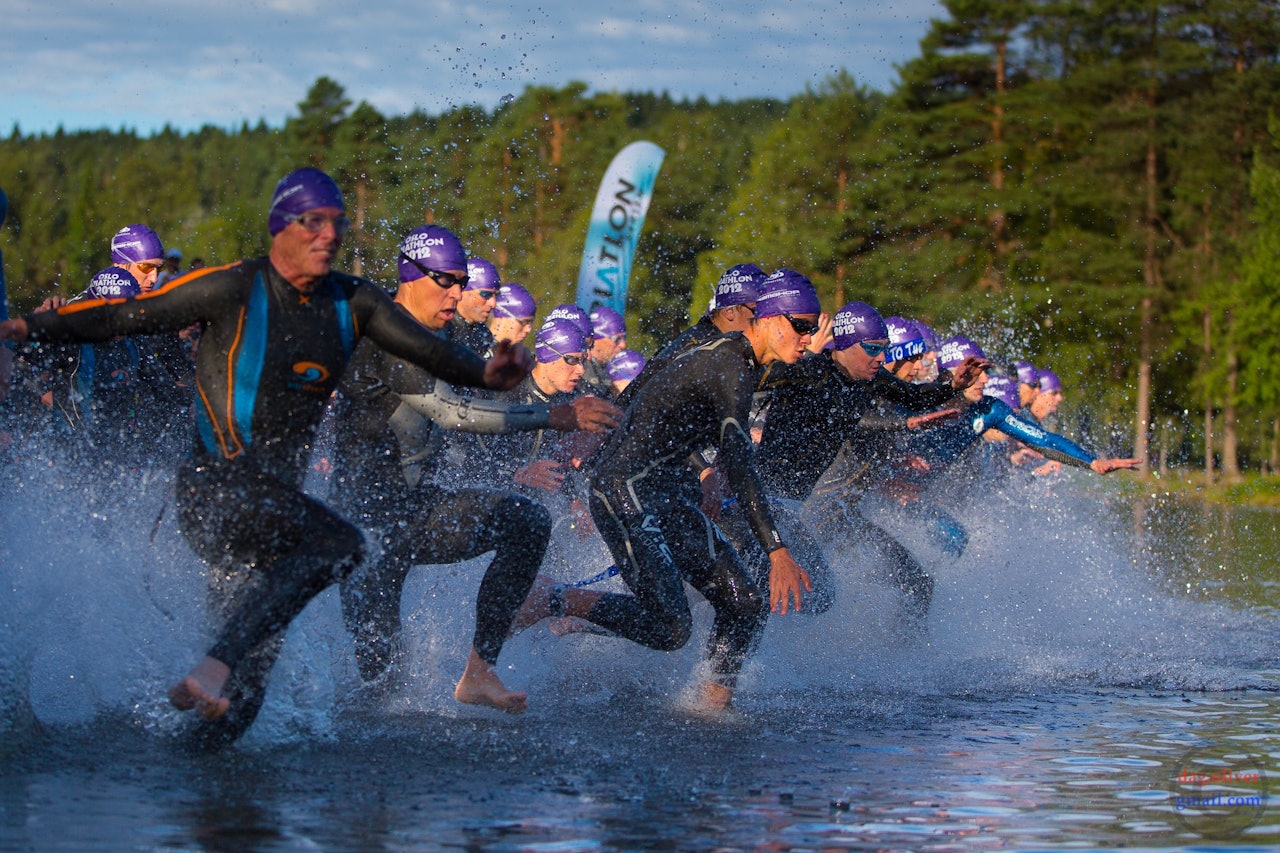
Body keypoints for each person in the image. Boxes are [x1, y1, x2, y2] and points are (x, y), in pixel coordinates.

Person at [0, 167, 533, 749]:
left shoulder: (353, 301)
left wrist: (488, 373)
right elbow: (117, 316)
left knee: (239, 707)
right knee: (341, 543)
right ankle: (217, 663)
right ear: (281, 227)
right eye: (313, 222)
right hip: (213, 494)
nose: (328, 235)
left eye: (336, 224)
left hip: (276, 514)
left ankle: (190, 754)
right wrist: (22, 327)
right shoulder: (231, 286)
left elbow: (429, 352)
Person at [332, 225, 619, 703]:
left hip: (416, 510)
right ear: (410, 275)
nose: (457, 293)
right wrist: (556, 416)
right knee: (378, 679)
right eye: (446, 281)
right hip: (366, 525)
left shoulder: (440, 334)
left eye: (463, 282)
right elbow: (452, 412)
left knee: (526, 521)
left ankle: (479, 671)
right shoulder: (387, 334)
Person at [517, 269, 822, 713]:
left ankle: (709, 708)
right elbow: (739, 460)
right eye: (801, 326)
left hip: (666, 492)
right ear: (770, 318)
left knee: (745, 604)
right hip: (623, 489)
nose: (808, 338)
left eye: (812, 329)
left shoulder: (744, 361)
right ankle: (549, 597)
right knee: (669, 627)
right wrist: (776, 550)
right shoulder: (729, 363)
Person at [752, 302, 982, 620]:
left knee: (826, 595)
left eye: (884, 348)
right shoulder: (808, 371)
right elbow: (743, 382)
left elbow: (914, 396)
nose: (881, 358)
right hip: (775, 503)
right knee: (779, 594)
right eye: (873, 348)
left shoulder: (870, 380)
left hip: (810, 510)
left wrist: (953, 386)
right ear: (845, 344)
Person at [450, 256, 499, 356]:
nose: (493, 304)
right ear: (462, 291)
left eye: (496, 295)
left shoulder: (483, 333)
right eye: (486, 295)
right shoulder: (444, 329)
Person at [581, 305, 626, 397]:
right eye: (617, 339)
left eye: (624, 338)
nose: (623, 345)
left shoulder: (611, 369)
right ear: (597, 337)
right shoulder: (578, 368)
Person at [487, 282, 537, 347]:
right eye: (524, 322)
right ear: (501, 317)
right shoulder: (477, 350)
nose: (528, 329)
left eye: (531, 322)